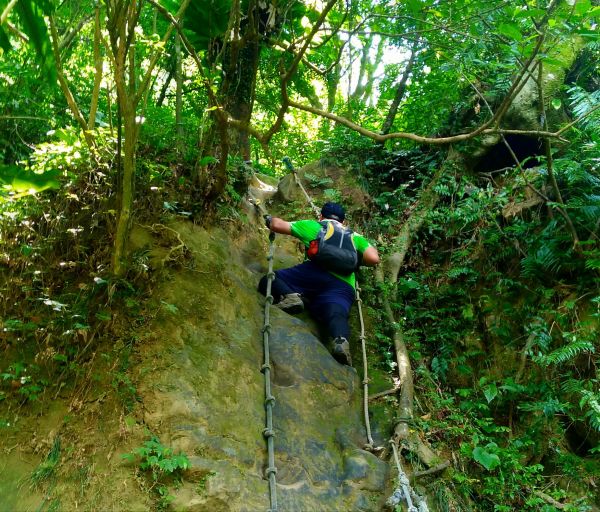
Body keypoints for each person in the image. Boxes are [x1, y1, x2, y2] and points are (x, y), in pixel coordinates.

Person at [258, 202, 380, 366]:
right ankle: (340, 341)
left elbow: (277, 225)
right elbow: (374, 259)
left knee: (269, 279)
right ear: (343, 222)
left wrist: (269, 220)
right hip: (343, 285)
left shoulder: (314, 226)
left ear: (321, 216)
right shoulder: (355, 237)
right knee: (336, 312)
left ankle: (290, 296)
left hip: (313, 273)